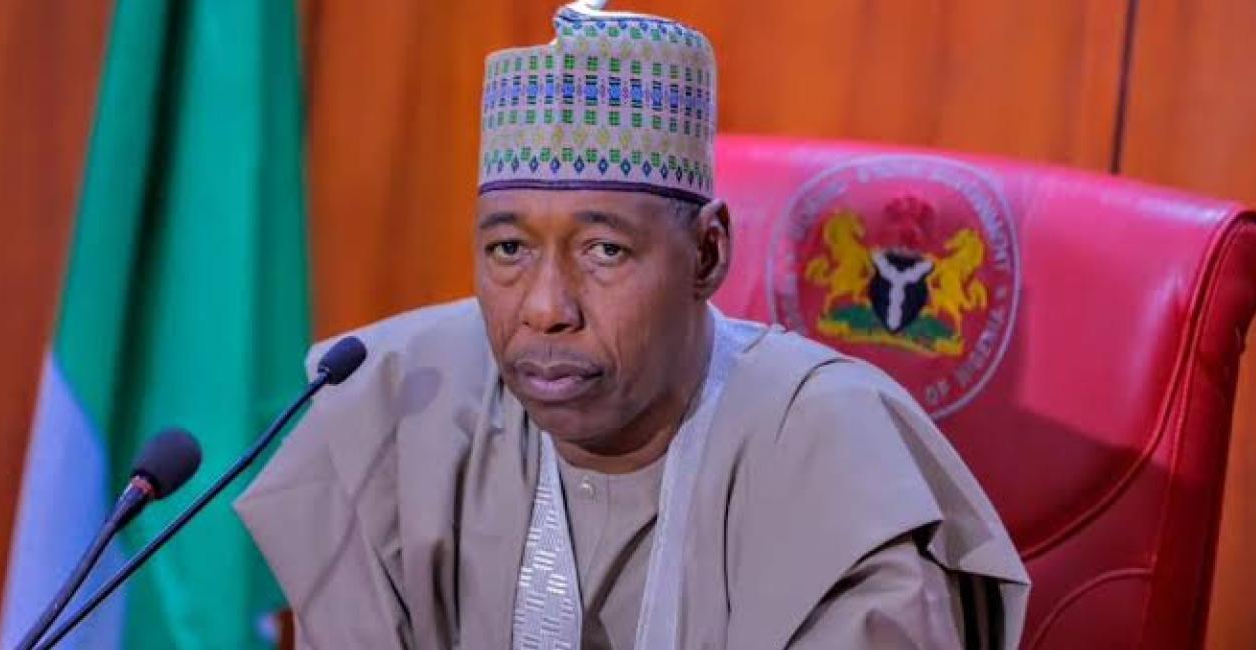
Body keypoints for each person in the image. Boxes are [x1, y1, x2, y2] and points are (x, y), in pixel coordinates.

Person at [235, 2, 1029, 647]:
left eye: (605, 250)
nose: (545, 307)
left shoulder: (831, 451)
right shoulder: (395, 405)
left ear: (706, 254)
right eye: (509, 249)